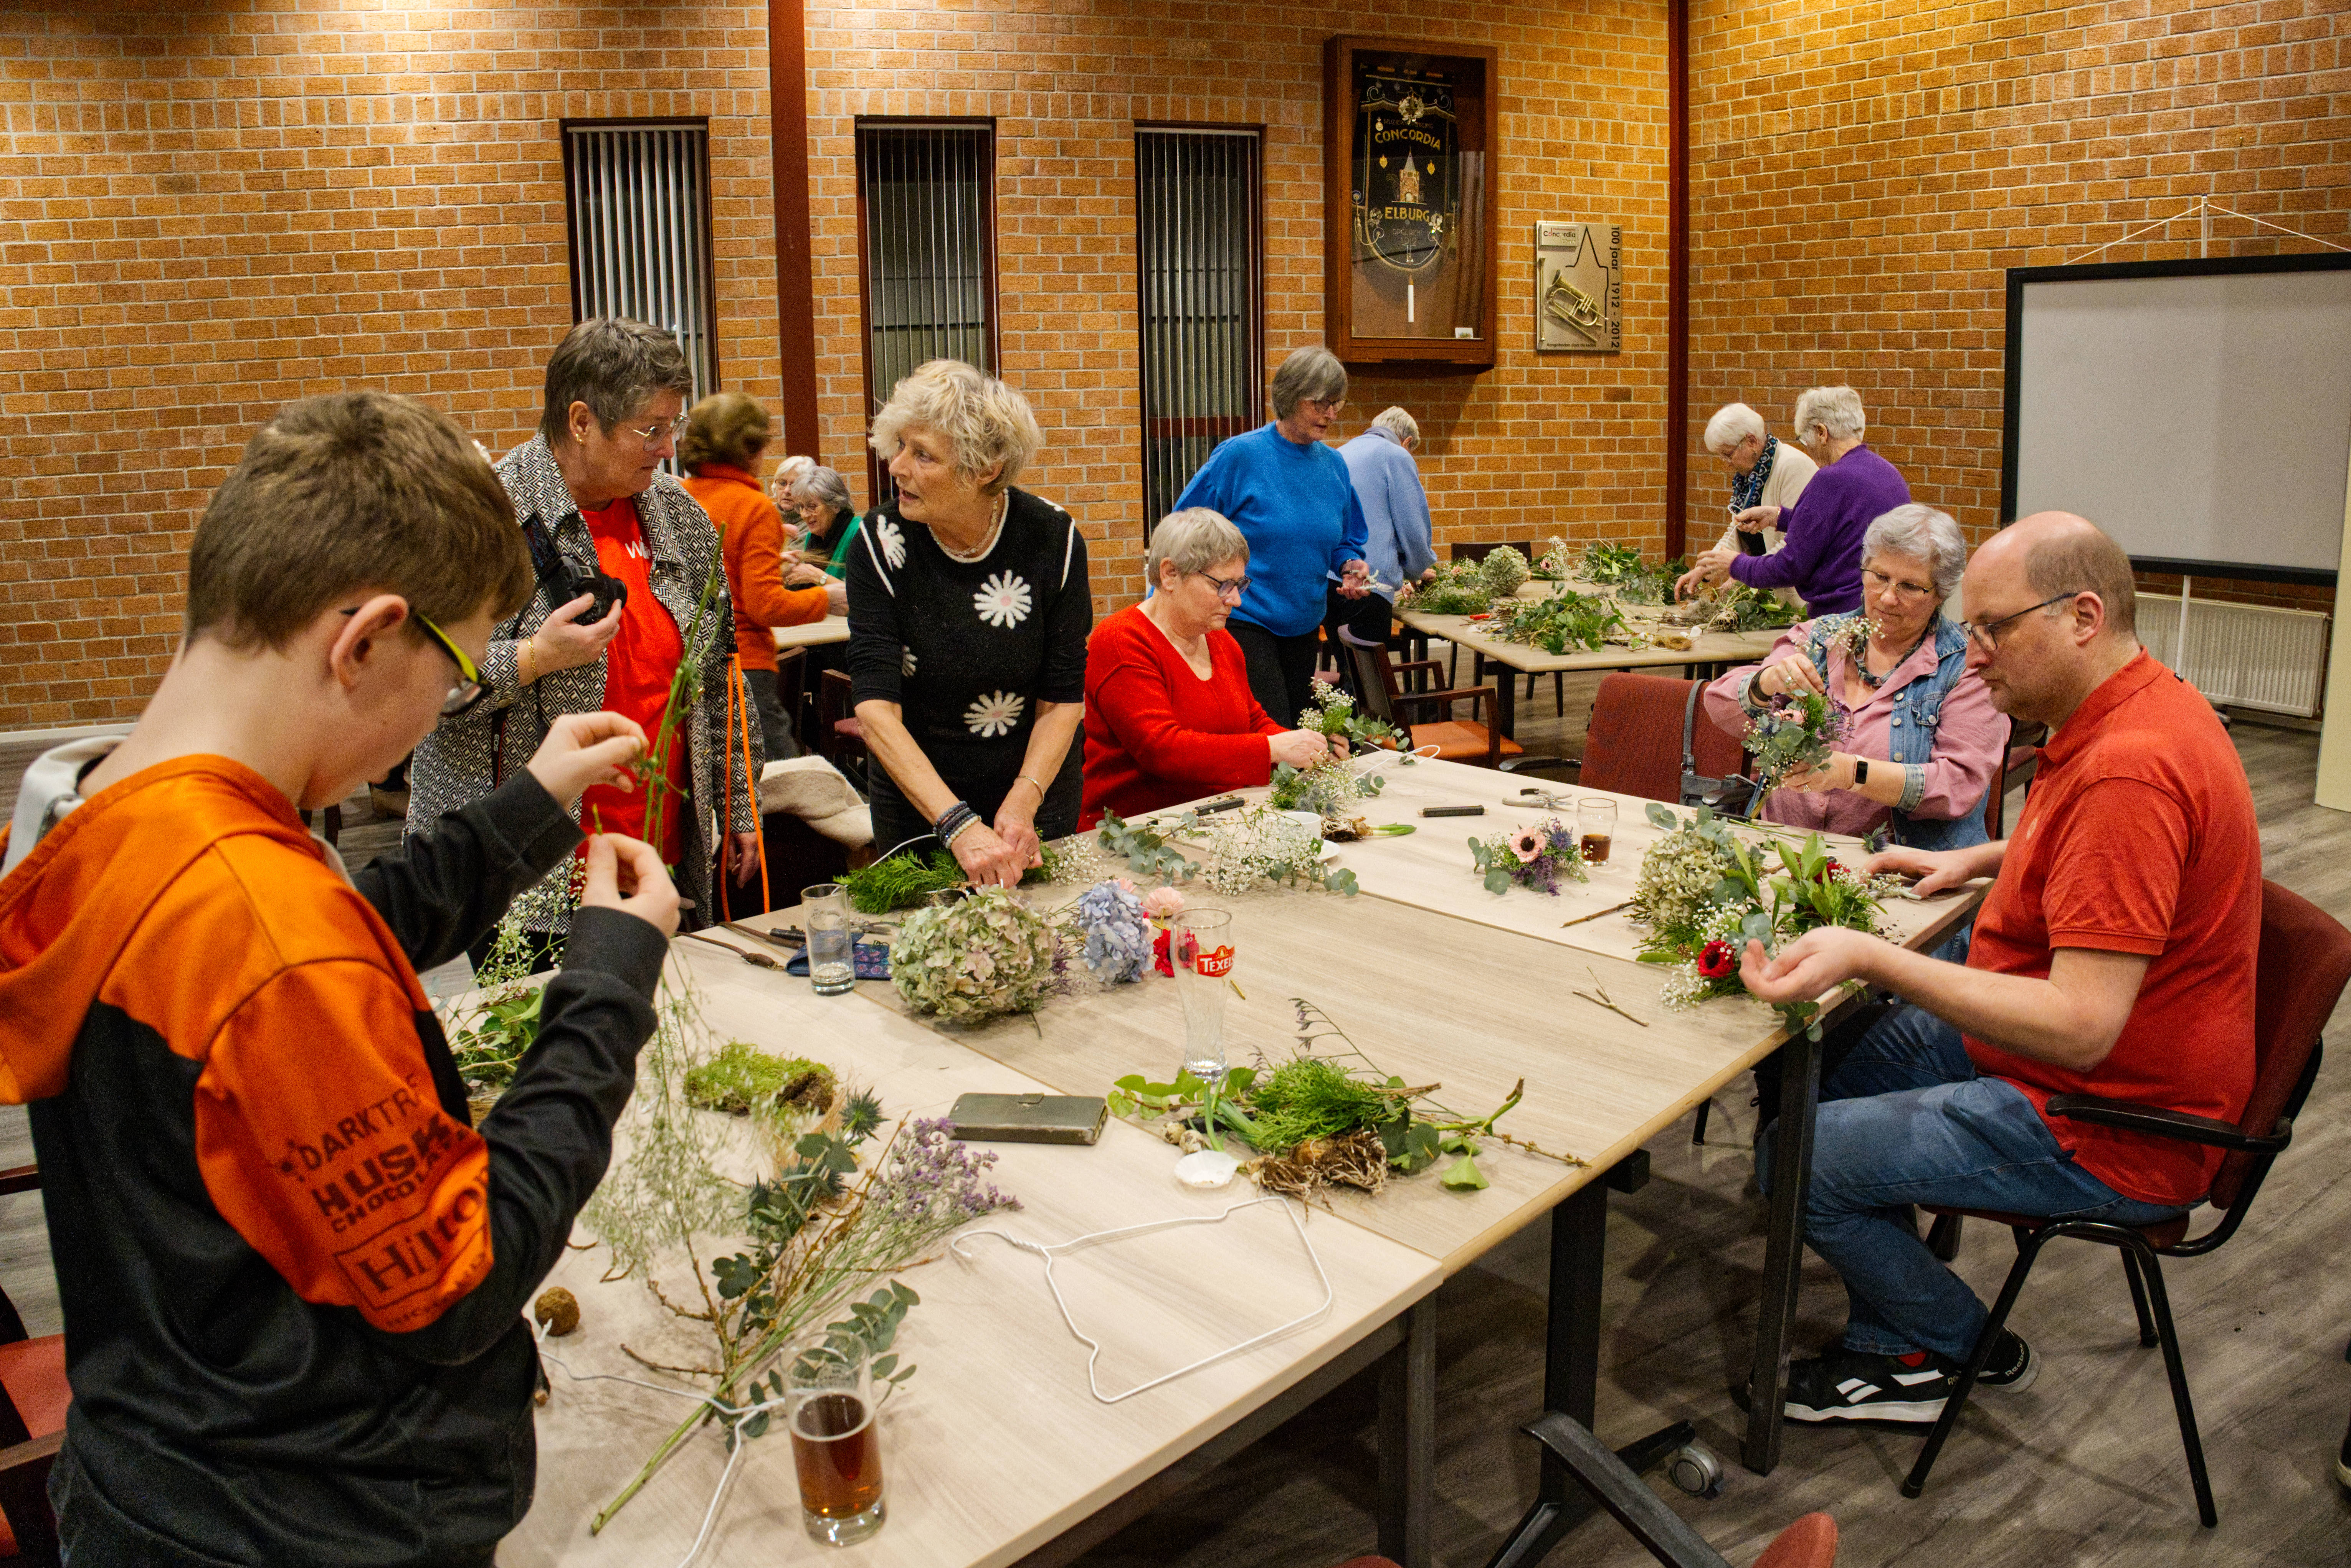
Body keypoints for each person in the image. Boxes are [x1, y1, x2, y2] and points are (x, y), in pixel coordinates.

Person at [0, 391, 680, 1564]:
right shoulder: (265, 926)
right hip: (316, 1518)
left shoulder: (110, 804)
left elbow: (315, 947)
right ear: (363, 640)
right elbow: (458, 1285)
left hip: (158, 1476)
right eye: (458, 664)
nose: (444, 707)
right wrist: (609, 981)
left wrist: (527, 809)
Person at [1733, 512, 2260, 1425]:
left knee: (1798, 1152)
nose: (1972, 655)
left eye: (1993, 628)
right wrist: (1977, 861)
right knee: (1827, 1060)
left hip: (2112, 1116)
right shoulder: (2140, 705)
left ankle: (1944, 1345)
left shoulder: (2130, 771)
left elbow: (2081, 1022)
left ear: (2083, 616)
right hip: (2091, 1065)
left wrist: (1876, 956)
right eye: (1969, 628)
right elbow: (2104, 860)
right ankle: (1887, 1300)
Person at [406, 318, 761, 951]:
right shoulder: (486, 513)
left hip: (659, 850)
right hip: (533, 874)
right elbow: (419, 687)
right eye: (650, 430)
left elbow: (717, 672)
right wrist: (535, 657)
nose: (666, 448)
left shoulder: (679, 517)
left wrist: (737, 801)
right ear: (580, 422)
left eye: (672, 428)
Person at [848, 359, 1090, 886]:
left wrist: (1024, 801)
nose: (897, 466)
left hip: (1031, 787)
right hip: (920, 794)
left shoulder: (1053, 538)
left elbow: (1063, 698)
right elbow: (875, 710)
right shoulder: (879, 541)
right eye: (901, 446)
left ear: (985, 469)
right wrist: (956, 824)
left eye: (923, 454)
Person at [1702, 504, 1999, 852]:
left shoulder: (1964, 668)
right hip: (1781, 852)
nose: (1888, 598)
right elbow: (1718, 705)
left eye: (1910, 586)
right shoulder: (1818, 638)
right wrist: (1766, 682)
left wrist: (1850, 773)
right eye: (1879, 577)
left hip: (1894, 868)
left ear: (1940, 593)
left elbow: (1958, 785)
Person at [1083, 508, 1342, 827]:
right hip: (1140, 831)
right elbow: (1162, 750)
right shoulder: (1122, 640)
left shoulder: (1220, 641)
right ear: (1170, 575)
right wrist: (1273, 749)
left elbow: (1252, 721)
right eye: (1223, 585)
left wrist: (1304, 747)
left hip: (1217, 818)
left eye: (1240, 585)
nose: (1236, 601)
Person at [1174, 344, 1373, 726]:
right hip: (1244, 617)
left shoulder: (1334, 466)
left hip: (1303, 621)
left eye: (1337, 404)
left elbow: (1346, 539)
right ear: (1289, 397)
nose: (1330, 414)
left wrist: (1349, 565)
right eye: (1320, 404)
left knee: (1294, 725)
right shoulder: (1240, 456)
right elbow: (1186, 527)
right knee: (1273, 730)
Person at [681, 391, 838, 766]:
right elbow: (764, 606)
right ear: (749, 448)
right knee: (784, 775)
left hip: (689, 661)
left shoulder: (679, 497)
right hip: (745, 662)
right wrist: (828, 600)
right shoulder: (752, 508)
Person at [1676, 385, 1906, 615]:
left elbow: (1792, 565)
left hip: (1841, 615)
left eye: (1805, 441)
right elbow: (1839, 529)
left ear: (1821, 433)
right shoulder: (1889, 473)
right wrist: (1781, 517)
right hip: (1879, 610)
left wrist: (1737, 565)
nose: (1808, 451)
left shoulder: (1830, 479)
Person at [1327, 405, 1438, 680]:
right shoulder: (1396, 455)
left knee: (1347, 674)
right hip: (1369, 584)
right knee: (1368, 681)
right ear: (1407, 442)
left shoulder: (1340, 452)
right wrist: (1418, 568)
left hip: (1331, 580)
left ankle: (1339, 724)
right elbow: (1413, 526)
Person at [1698, 401, 1817, 603]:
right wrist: (1706, 568)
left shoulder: (1794, 467)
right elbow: (1736, 529)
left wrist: (1742, 574)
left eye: (1728, 455)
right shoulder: (1749, 475)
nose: (1727, 464)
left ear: (1751, 441)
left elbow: (1794, 543)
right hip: (1760, 592)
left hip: (1792, 603)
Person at [786, 464, 866, 583]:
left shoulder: (858, 532)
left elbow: (862, 594)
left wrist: (817, 576)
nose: (804, 514)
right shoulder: (813, 536)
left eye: (812, 506)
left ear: (836, 505)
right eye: (802, 507)